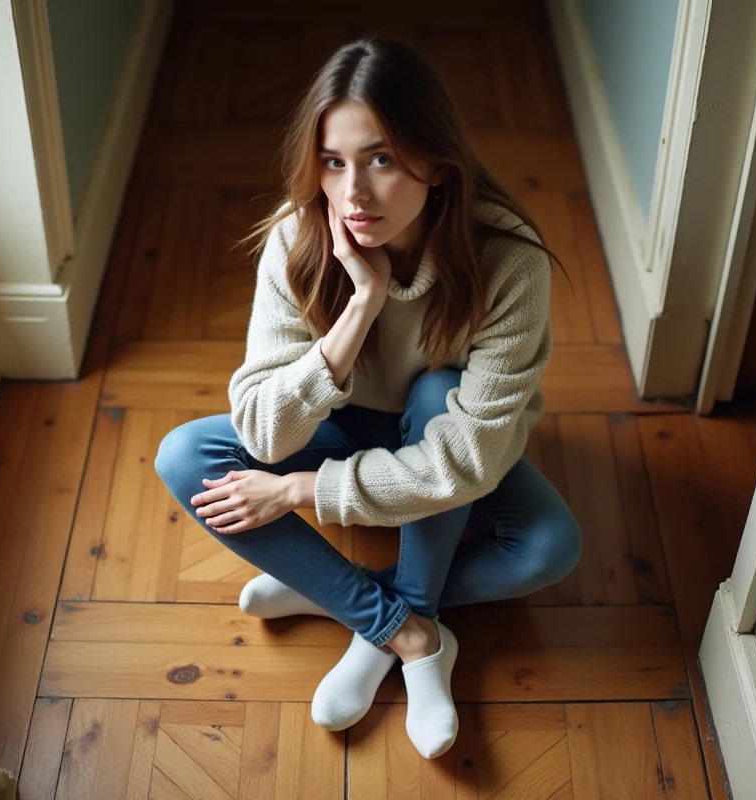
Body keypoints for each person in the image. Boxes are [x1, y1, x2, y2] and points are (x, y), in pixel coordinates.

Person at [154, 36, 582, 760]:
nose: (353, 193)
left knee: (548, 547)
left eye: (381, 159)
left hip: (439, 441)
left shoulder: (508, 261)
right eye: (333, 162)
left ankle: (347, 597)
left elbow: (464, 463)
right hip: (343, 429)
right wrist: (361, 306)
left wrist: (298, 491)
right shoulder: (299, 238)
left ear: (436, 164)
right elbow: (261, 432)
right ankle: (411, 634)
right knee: (184, 454)